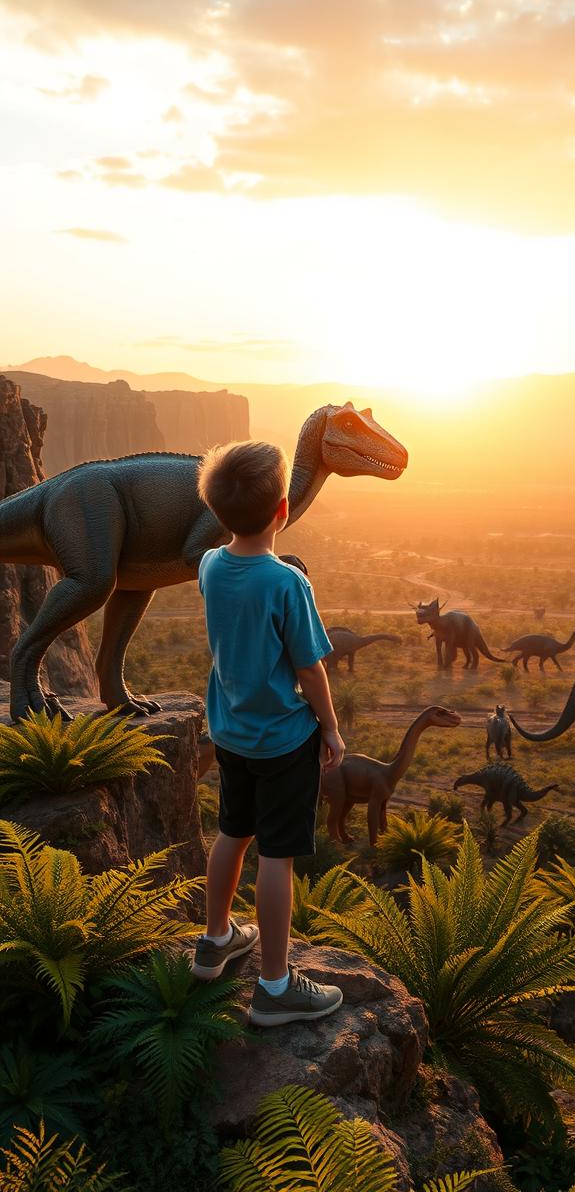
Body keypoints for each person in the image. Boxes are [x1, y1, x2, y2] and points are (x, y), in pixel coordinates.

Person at [189, 439, 345, 1027]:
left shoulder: (208, 565)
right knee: (277, 857)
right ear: (283, 510)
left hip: (229, 733)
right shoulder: (287, 585)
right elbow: (310, 668)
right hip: (282, 741)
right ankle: (275, 987)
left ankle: (216, 940)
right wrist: (329, 728)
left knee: (232, 832)